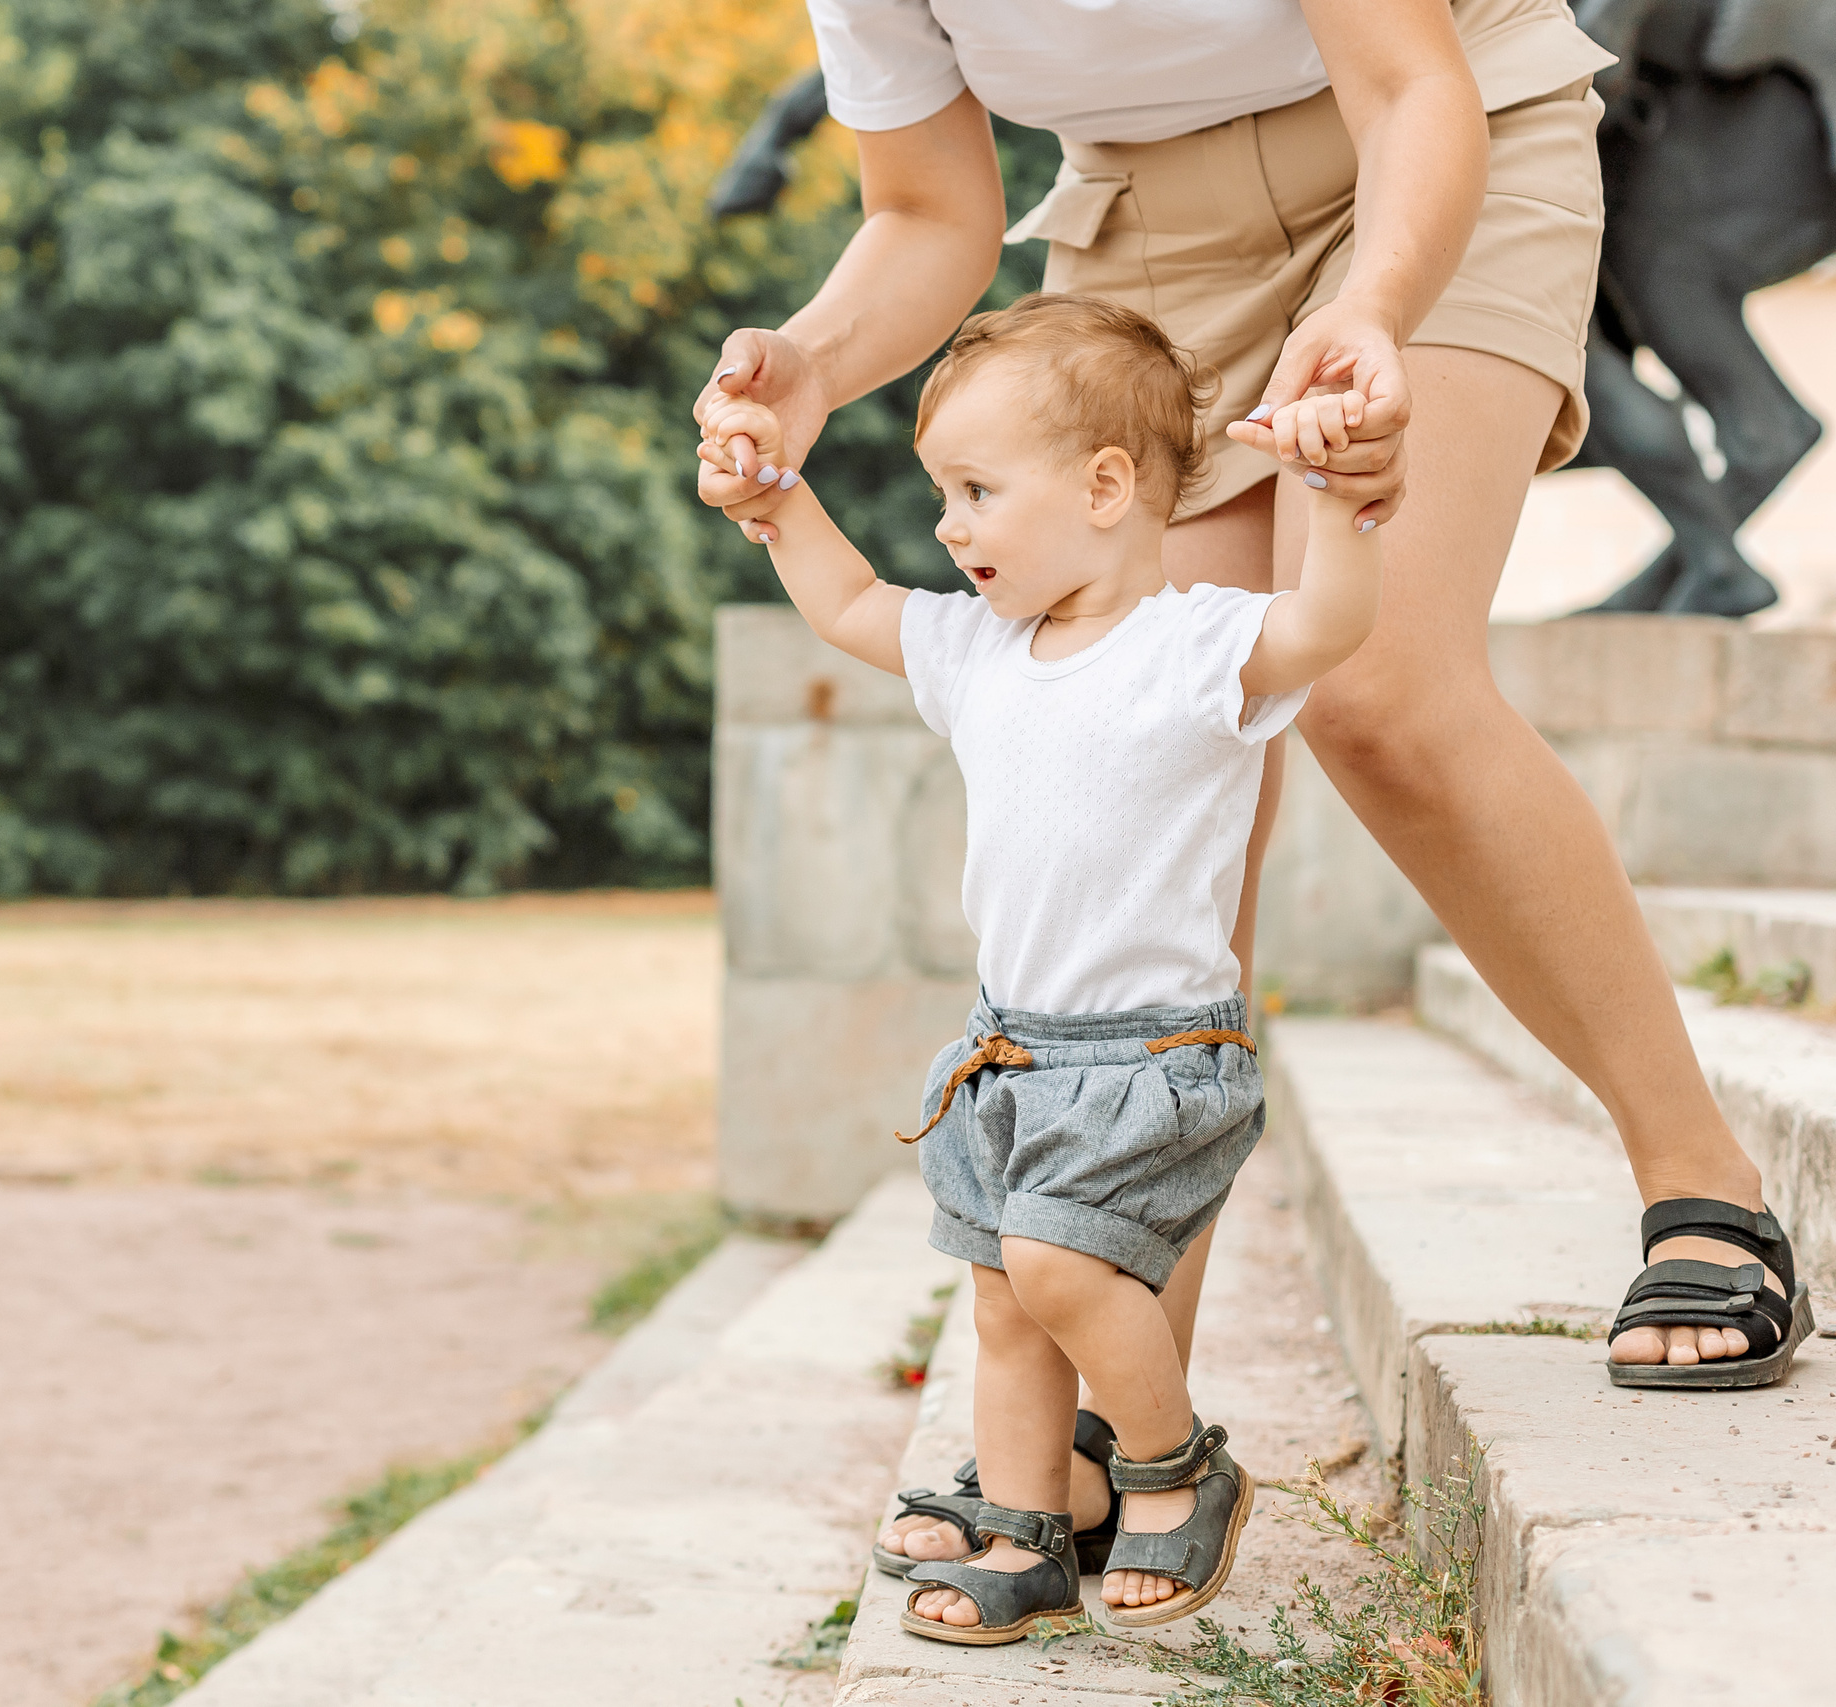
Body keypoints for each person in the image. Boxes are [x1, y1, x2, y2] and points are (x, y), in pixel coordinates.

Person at [693, 0, 1811, 1611]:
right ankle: (1104, 1422)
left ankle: (1703, 1181)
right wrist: (807, 360)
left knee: (1377, 692)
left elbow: (1409, 80)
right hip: (1143, 242)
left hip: (1432, 159)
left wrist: (1370, 307)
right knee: (1150, 763)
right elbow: (927, 214)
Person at [710, 292, 1382, 1637]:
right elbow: (846, 598)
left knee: (1062, 1268)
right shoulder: (978, 651)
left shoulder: (1197, 645)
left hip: (1153, 1061)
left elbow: (1325, 629)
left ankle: (1173, 1466)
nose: (950, 526)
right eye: (940, 492)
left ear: (1106, 486)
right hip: (1008, 1051)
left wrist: (1344, 507)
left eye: (974, 490)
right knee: (1010, 1305)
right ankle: (1023, 1537)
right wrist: (775, 502)